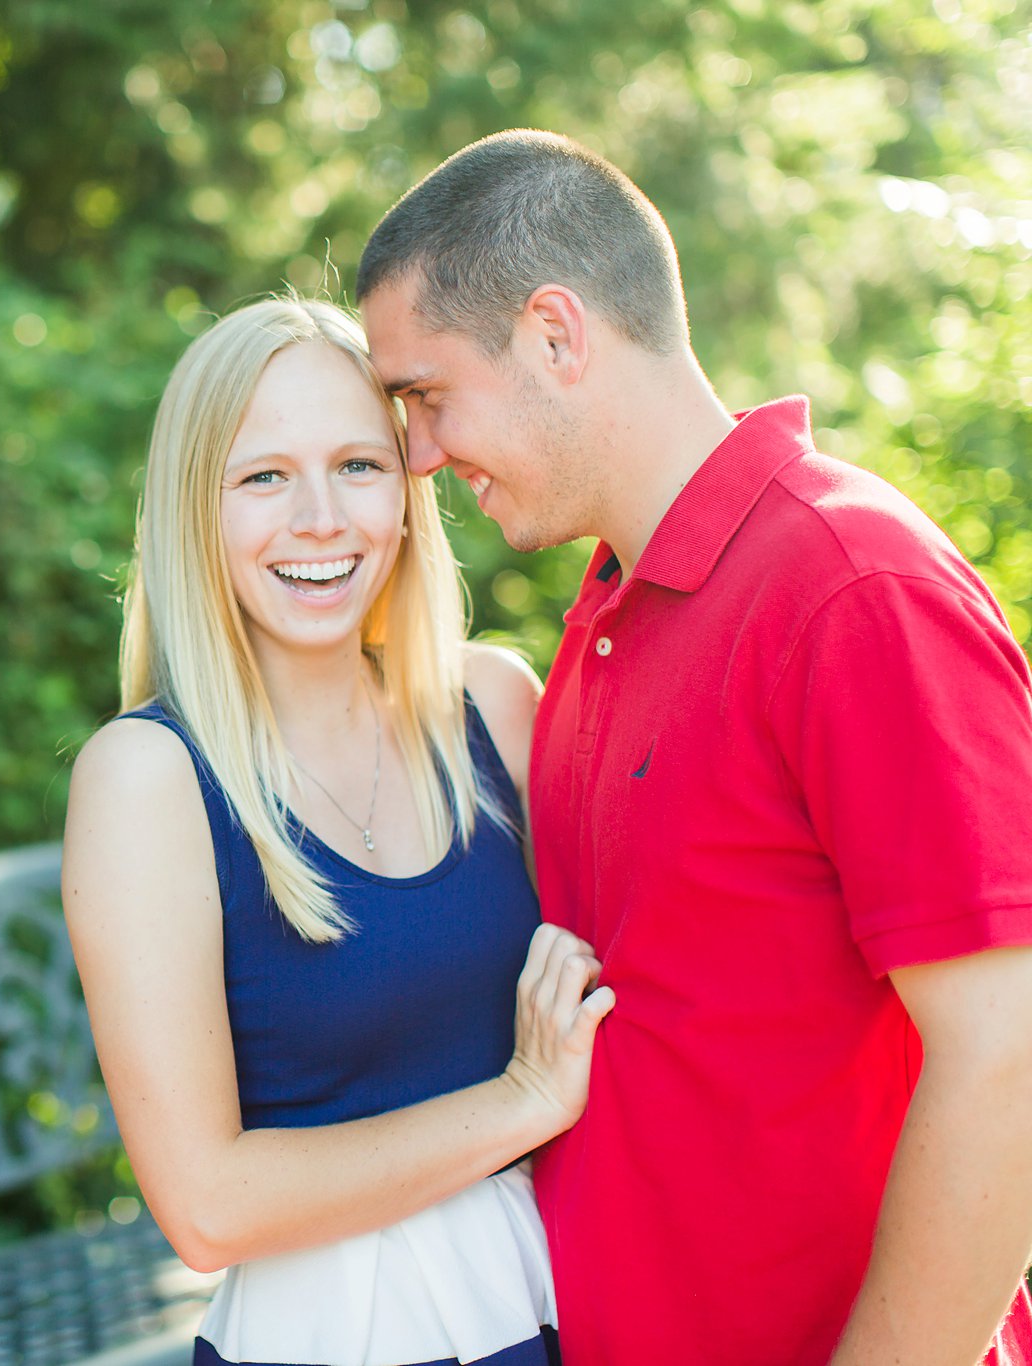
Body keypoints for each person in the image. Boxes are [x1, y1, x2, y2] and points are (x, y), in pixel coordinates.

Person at [355, 129, 1032, 1366]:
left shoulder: (846, 584)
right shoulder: (605, 619)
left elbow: (1008, 1052)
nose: (417, 457)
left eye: (424, 396)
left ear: (554, 334)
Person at [62, 295, 615, 1366]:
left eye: (357, 466)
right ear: (193, 511)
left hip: (555, 1304)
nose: (318, 517)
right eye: (261, 476)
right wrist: (519, 1103)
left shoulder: (494, 707)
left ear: (408, 493)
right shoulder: (146, 780)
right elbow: (207, 1207)